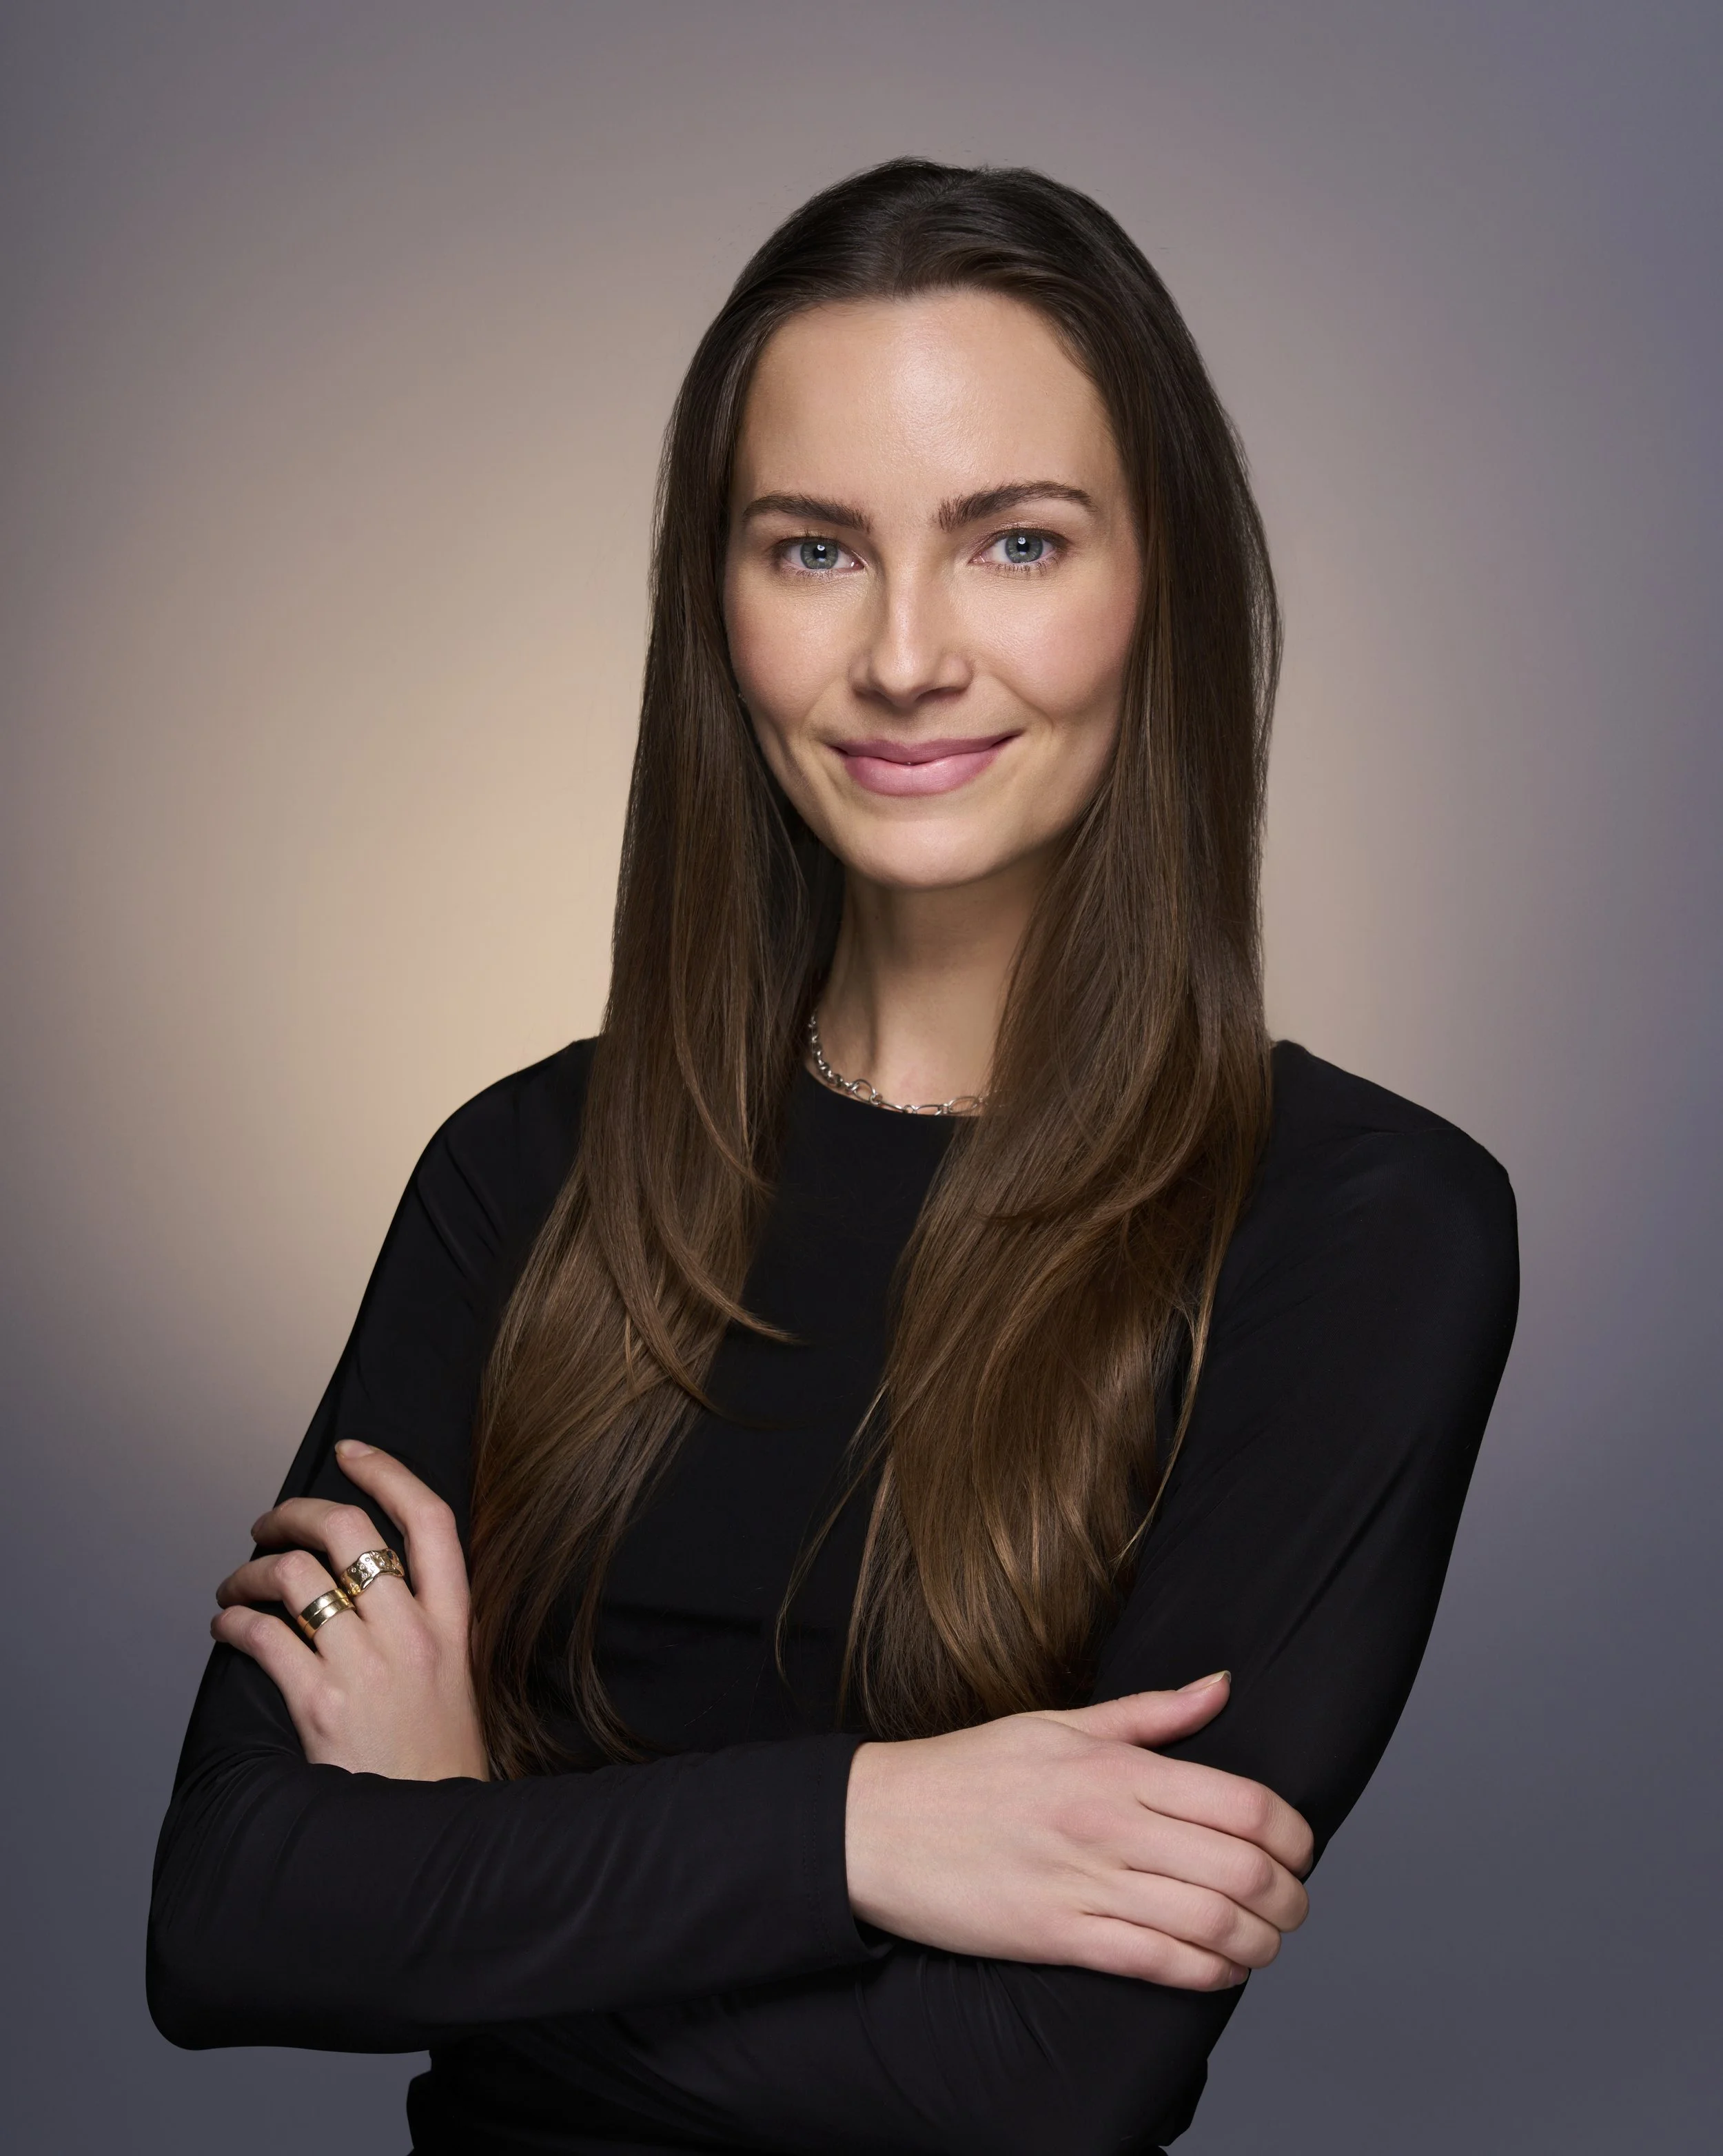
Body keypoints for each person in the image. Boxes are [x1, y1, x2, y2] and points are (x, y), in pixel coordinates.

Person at [147, 159, 1518, 2155]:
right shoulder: (518, 1176)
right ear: (716, 603)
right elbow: (228, 1921)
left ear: (1163, 587)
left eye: (1014, 544)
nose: (902, 655)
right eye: (811, 550)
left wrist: (468, 1870)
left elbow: (1038, 2091)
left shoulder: (1356, 1229)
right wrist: (872, 1829)